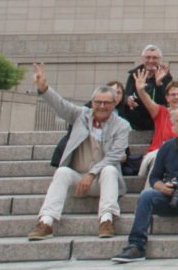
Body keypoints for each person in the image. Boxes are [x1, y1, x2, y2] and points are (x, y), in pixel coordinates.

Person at [27, 63, 130, 241]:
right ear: (92, 103)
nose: (102, 106)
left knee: (110, 169)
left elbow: (114, 156)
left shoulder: (122, 125)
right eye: (98, 102)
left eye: (107, 102)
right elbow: (61, 105)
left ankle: (106, 220)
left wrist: (91, 174)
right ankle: (46, 221)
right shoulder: (80, 115)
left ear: (114, 104)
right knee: (61, 172)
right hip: (77, 179)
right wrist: (44, 88)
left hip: (101, 180)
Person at [111, 105, 178, 263]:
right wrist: (163, 188)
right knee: (146, 194)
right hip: (170, 197)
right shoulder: (167, 147)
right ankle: (136, 245)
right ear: (174, 125)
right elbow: (154, 178)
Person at [133, 72, 178, 185]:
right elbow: (148, 101)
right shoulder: (161, 112)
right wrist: (140, 90)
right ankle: (149, 196)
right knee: (159, 157)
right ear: (167, 98)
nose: (177, 97)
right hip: (158, 154)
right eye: (172, 94)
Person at [123, 45, 171, 130]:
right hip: (137, 117)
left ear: (159, 60)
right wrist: (129, 100)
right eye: (148, 57)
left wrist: (159, 83)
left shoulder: (166, 76)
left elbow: (166, 101)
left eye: (155, 58)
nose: (151, 61)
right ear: (142, 59)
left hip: (157, 119)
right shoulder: (134, 75)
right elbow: (127, 94)